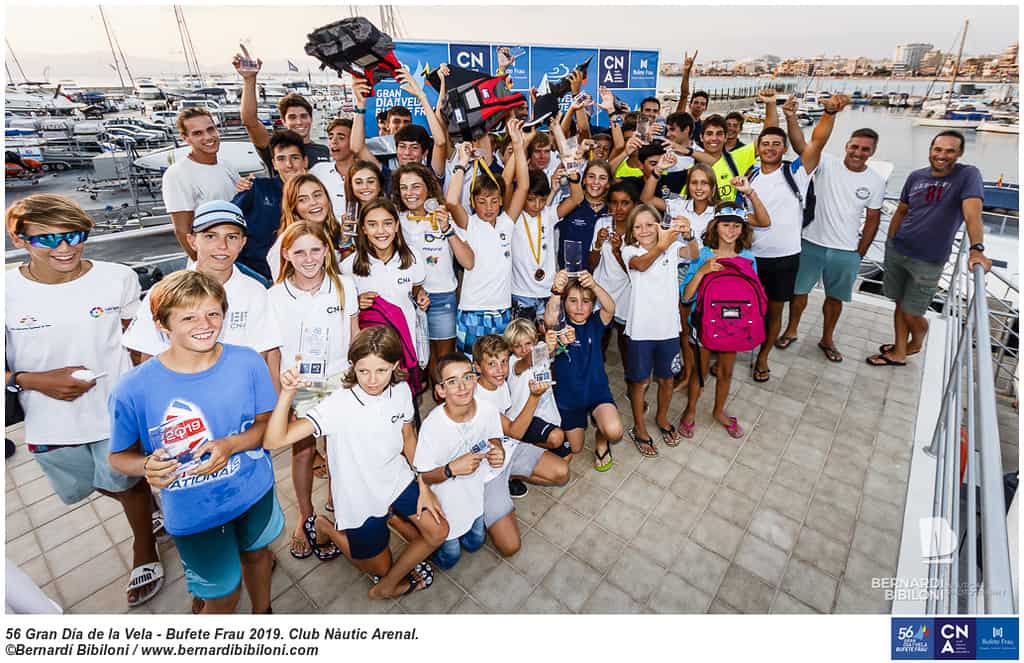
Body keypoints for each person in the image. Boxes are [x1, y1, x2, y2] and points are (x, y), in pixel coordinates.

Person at [5, 194, 163, 609]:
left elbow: (137, 340)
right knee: (87, 484)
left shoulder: (117, 278)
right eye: (48, 240)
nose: (65, 248)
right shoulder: (6, 291)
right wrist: (33, 380)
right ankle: (152, 504)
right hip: (50, 421)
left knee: (127, 482)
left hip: (115, 411)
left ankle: (144, 549)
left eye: (75, 235)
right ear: (20, 240)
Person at [108, 270, 281, 614]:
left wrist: (231, 444)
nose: (205, 324)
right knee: (223, 594)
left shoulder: (247, 362)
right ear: (162, 324)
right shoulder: (133, 389)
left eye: (213, 313)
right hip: (194, 512)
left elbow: (268, 427)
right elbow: (118, 456)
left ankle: (263, 613)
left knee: (258, 555)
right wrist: (145, 466)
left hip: (253, 490)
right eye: (188, 316)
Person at [266, 326, 447, 598]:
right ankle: (325, 526)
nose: (372, 380)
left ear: (395, 366)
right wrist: (287, 393)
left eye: (381, 370)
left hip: (395, 479)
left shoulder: (400, 391)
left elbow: (408, 438)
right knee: (380, 565)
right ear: (353, 366)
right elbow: (274, 440)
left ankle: (385, 587)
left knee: (438, 532)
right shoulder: (338, 403)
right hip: (358, 495)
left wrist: (424, 485)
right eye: (364, 371)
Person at [268, 222, 359, 559]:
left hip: (339, 380)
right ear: (286, 255)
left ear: (327, 251)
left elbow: (354, 334)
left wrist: (358, 380)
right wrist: (281, 395)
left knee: (340, 450)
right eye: (300, 251)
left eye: (316, 250)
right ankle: (304, 513)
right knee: (303, 452)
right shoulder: (274, 296)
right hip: (299, 386)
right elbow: (273, 351)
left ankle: (341, 508)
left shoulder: (344, 286)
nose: (309, 258)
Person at [122, 201, 283, 385]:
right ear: (192, 241)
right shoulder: (162, 292)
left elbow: (267, 354)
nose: (222, 246)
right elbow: (147, 357)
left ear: (242, 242)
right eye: (210, 236)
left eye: (231, 237)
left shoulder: (256, 292)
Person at [867, 130, 991, 367]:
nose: (942, 155)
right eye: (938, 149)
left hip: (929, 259)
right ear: (931, 150)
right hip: (898, 249)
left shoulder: (968, 175)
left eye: (949, 150)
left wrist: (977, 248)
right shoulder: (915, 176)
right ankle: (900, 351)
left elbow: (972, 214)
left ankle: (918, 336)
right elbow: (902, 210)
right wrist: (890, 241)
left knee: (912, 311)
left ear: (960, 154)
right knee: (899, 304)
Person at [746, 97, 841, 382]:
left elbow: (818, 142)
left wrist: (829, 112)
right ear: (758, 148)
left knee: (774, 312)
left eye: (777, 144)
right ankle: (738, 347)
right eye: (765, 143)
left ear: (784, 149)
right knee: (750, 308)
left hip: (783, 257)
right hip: (751, 256)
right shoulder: (750, 174)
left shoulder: (796, 172)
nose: (771, 148)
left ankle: (762, 358)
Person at [778, 115, 886, 363]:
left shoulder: (875, 181)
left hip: (845, 250)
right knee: (798, 293)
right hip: (811, 242)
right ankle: (791, 330)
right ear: (847, 146)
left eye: (865, 149)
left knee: (835, 299)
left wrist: (859, 253)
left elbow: (872, 220)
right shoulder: (826, 163)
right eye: (855, 146)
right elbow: (799, 145)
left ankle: (827, 339)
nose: (858, 152)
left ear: (872, 152)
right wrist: (791, 117)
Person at [446, 120, 530, 353]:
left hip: (503, 310)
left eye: (494, 200)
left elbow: (522, 187)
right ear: (473, 202)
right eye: (482, 201)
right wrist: (462, 163)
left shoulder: (506, 222)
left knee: (499, 370)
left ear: (502, 201)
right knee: (471, 368)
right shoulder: (468, 223)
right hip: (472, 310)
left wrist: (518, 145)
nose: (489, 206)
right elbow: (451, 201)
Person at [620, 204, 698, 456]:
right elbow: (641, 265)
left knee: (667, 378)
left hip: (668, 329)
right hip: (640, 331)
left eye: (649, 224)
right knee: (640, 381)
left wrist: (689, 234)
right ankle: (639, 427)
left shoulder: (673, 246)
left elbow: (694, 254)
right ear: (631, 230)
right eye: (637, 226)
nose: (643, 230)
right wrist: (662, 245)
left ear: (659, 225)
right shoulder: (628, 249)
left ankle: (662, 418)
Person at [414, 352, 503, 569]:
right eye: (452, 382)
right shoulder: (432, 426)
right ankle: (416, 534)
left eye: (467, 377)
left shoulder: (488, 410)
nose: (462, 387)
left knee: (475, 543)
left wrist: (498, 450)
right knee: (449, 558)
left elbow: (494, 437)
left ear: (476, 379)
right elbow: (424, 475)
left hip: (476, 499)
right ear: (440, 391)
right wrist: (451, 469)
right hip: (447, 508)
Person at [679, 205, 760, 439]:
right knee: (700, 372)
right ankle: (691, 409)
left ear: (743, 229)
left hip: (733, 327)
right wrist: (702, 271)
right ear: (716, 226)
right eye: (726, 224)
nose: (731, 230)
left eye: (736, 225)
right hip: (704, 325)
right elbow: (686, 296)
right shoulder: (703, 254)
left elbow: (754, 296)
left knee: (726, 372)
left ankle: (718, 411)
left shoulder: (749, 258)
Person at [392, 162, 473, 386]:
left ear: (428, 188)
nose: (410, 193)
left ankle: (445, 406)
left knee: (443, 361)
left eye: (416, 186)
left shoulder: (445, 216)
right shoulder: (396, 220)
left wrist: (447, 227)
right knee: (417, 362)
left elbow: (468, 261)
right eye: (404, 187)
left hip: (442, 297)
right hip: (407, 298)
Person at [471, 336, 570, 507]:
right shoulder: (479, 399)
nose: (500, 370)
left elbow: (524, 363)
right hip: (487, 459)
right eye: (491, 364)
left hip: (508, 444)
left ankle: (510, 476)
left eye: (503, 362)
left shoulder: (497, 382)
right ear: (477, 367)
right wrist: (535, 396)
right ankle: (493, 484)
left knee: (562, 471)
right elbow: (515, 431)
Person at [544, 270, 624, 471]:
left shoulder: (596, 322)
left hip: (596, 392)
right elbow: (548, 319)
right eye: (572, 301)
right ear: (564, 303)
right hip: (569, 399)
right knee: (576, 447)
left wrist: (594, 284)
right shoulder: (559, 325)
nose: (579, 307)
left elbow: (611, 307)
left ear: (593, 304)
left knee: (614, 431)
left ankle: (601, 436)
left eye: (586, 301)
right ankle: (587, 423)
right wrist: (556, 290)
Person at [341, 199, 429, 353]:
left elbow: (416, 290)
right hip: (371, 349)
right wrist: (356, 301)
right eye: (372, 224)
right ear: (364, 229)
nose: (381, 231)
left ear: (396, 226)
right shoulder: (348, 265)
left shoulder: (413, 256)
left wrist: (421, 295)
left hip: (406, 343)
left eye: (387, 223)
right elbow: (341, 307)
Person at [162, 107, 240, 260]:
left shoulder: (227, 165)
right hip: (211, 262)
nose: (208, 137)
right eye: (198, 133)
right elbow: (182, 231)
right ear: (185, 138)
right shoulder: (177, 173)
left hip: (235, 256)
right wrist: (204, 268)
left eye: (210, 129)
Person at [232, 129, 309, 282]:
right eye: (281, 159)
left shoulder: (313, 195)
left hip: (294, 278)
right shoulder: (256, 188)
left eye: (294, 157)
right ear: (273, 164)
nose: (289, 165)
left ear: (305, 161)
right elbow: (228, 219)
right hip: (254, 275)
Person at [233, 53, 330, 172]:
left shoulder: (322, 150)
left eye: (303, 116)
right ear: (284, 121)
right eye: (292, 117)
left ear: (311, 118)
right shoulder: (274, 148)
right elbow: (250, 121)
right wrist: (249, 80)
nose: (299, 122)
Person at [509, 166, 581, 322]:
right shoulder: (513, 218)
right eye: (530, 199)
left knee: (550, 341)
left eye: (542, 200)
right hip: (521, 293)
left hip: (548, 292)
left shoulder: (549, 214)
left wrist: (573, 178)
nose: (537, 205)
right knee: (522, 343)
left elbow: (576, 199)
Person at [690, 89, 779, 202]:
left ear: (726, 137)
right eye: (709, 134)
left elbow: (769, 135)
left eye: (719, 134)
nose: (714, 138)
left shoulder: (737, 158)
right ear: (701, 138)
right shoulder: (690, 161)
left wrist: (770, 104)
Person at [503, 320, 571, 456]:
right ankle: (520, 443)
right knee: (556, 438)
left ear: (535, 340)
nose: (523, 350)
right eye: (517, 346)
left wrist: (563, 340)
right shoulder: (512, 363)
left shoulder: (540, 347)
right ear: (510, 348)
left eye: (528, 343)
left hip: (549, 415)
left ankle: (532, 450)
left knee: (568, 456)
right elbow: (529, 360)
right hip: (523, 417)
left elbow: (553, 351)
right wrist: (547, 348)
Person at [590, 181, 639, 367]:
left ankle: (631, 384)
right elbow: (592, 264)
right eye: (614, 202)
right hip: (602, 291)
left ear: (634, 204)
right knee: (599, 341)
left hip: (627, 294)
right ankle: (595, 378)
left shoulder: (639, 230)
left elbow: (635, 274)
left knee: (625, 343)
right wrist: (597, 244)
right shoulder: (602, 223)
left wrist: (619, 251)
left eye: (625, 202)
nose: (619, 208)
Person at [267, 173, 344, 281]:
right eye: (302, 200)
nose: (313, 202)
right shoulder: (285, 242)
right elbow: (282, 289)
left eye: (317, 195)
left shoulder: (336, 230)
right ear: (293, 207)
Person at [555, 160, 611, 269]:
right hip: (570, 280)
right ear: (584, 180)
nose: (596, 182)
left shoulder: (613, 211)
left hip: (601, 281)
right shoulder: (569, 205)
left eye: (602, 178)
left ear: (608, 184)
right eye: (591, 176)